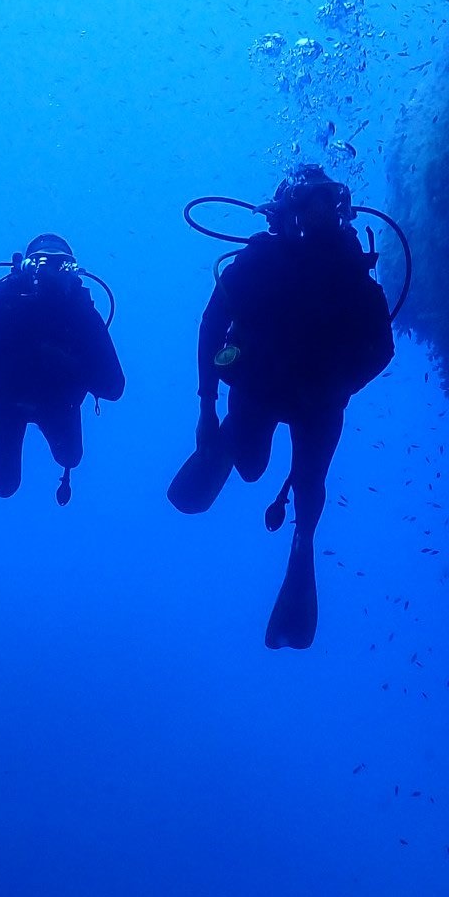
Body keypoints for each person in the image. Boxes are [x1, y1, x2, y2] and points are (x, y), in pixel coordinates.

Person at [171, 165, 395, 649]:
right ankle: (232, 443)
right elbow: (211, 328)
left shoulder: (349, 266)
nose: (317, 216)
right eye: (308, 204)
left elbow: (382, 348)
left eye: (326, 204)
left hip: (319, 402)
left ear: (339, 209)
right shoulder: (257, 263)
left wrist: (339, 385)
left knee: (310, 485)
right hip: (257, 392)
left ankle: (303, 541)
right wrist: (207, 411)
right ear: (286, 211)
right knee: (251, 468)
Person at [0, 234, 124, 503]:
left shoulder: (82, 314)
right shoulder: (4, 305)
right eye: (41, 263)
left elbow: (114, 386)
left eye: (60, 265)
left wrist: (66, 362)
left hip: (57, 404)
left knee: (70, 458)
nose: (50, 272)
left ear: (72, 271)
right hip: (3, 403)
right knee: (3, 486)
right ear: (26, 268)